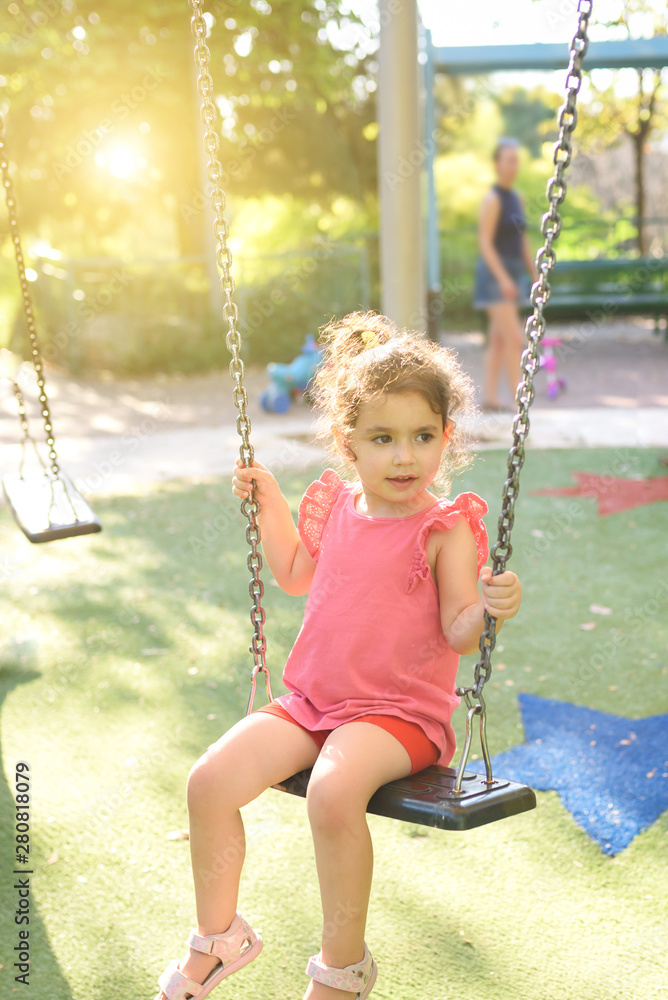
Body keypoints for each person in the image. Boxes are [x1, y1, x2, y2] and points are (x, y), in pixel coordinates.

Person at [154, 311, 522, 1000]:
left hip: (397, 717)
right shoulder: (338, 506)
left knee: (331, 792)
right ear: (347, 442)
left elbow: (460, 632)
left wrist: (490, 607)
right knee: (209, 782)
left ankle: (342, 970)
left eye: (422, 437)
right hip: (314, 702)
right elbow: (296, 573)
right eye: (383, 440)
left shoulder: (445, 531)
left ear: (447, 437)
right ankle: (218, 939)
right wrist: (269, 503)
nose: (404, 457)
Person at [473, 137, 538, 412]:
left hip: (512, 272)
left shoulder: (517, 198)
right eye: (509, 160)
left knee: (500, 340)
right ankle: (516, 400)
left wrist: (535, 274)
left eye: (516, 160)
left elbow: (521, 240)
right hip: (494, 276)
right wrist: (502, 278)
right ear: (497, 164)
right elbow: (485, 243)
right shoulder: (493, 199)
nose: (514, 166)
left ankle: (489, 397)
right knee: (513, 337)